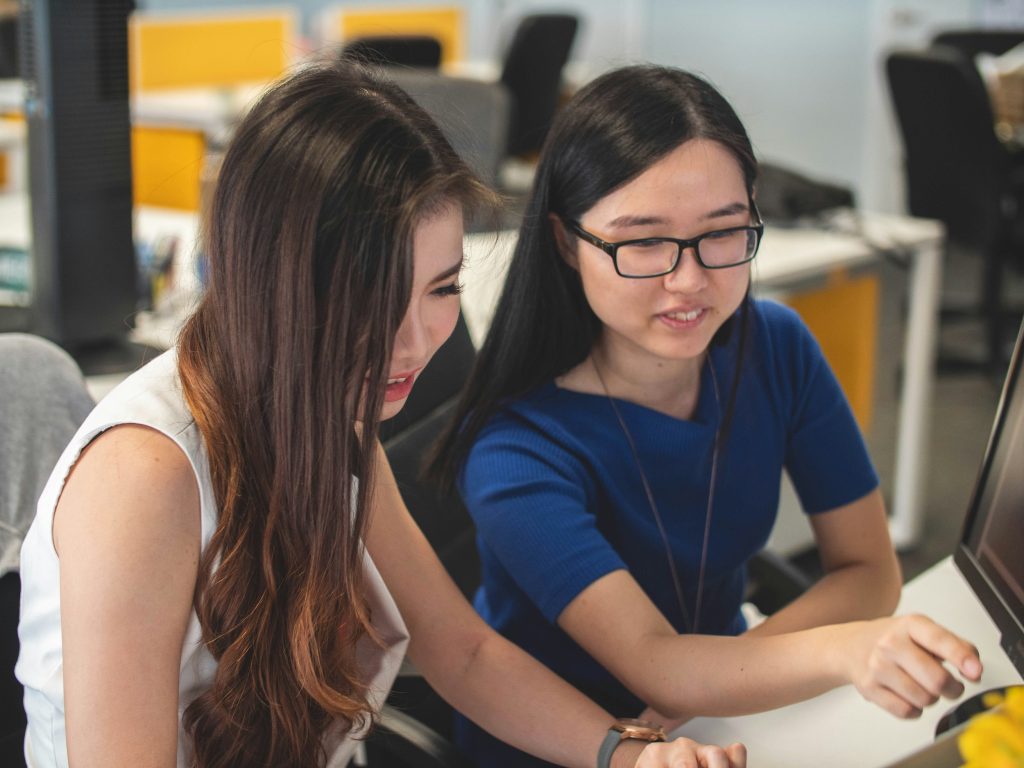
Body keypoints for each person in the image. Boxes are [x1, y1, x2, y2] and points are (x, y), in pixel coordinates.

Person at [14, 63, 747, 768]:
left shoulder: (330, 409)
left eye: (442, 288)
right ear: (277, 282)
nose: (416, 342)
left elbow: (464, 652)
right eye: (374, 297)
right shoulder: (146, 478)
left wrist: (629, 754)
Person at [429, 64, 984, 766]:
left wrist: (724, 678)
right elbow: (654, 665)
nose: (689, 280)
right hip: (575, 747)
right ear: (568, 243)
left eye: (723, 232)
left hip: (724, 713)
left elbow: (870, 570)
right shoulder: (517, 448)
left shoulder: (775, 345)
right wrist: (835, 649)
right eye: (644, 242)